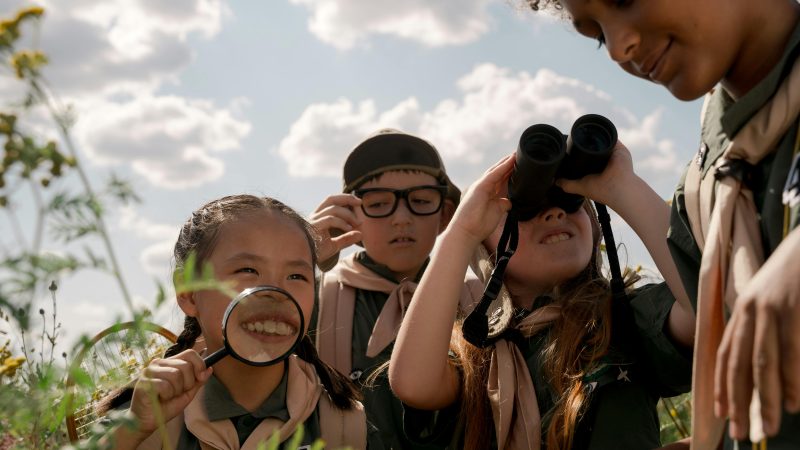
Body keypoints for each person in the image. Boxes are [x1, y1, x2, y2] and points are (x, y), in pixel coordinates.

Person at [526, 1, 800, 448]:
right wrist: (616, 186)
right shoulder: (707, 183)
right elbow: (709, 313)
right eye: (597, 33)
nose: (617, 48)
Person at [390, 147, 696, 449]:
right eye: (525, 207)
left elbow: (705, 304)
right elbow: (413, 383)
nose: (554, 212)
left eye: (570, 200)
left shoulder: (624, 317)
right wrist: (461, 231)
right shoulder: (476, 351)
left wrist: (621, 185)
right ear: (484, 248)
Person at [104, 195, 372, 449]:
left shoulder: (346, 425)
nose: (274, 293)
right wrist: (134, 429)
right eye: (248, 270)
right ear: (188, 291)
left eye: (296, 276)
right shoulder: (140, 421)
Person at [310, 128, 462, 449]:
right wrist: (297, 260)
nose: (402, 219)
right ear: (349, 217)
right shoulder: (316, 300)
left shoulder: (478, 301)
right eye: (378, 204)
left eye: (421, 201)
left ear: (445, 214)